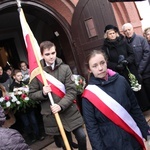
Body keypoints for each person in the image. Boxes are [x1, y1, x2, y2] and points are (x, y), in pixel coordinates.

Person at [82, 49, 150, 150]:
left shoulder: (121, 81)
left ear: (106, 62)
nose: (100, 68)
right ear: (89, 69)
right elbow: (92, 128)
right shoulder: (89, 95)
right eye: (95, 66)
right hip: (111, 144)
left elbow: (135, 108)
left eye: (102, 63)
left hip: (132, 137)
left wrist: (145, 132)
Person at [29, 41, 87, 150]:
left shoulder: (65, 68)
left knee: (82, 136)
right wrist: (43, 93)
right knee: (66, 144)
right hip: (52, 115)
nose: (51, 56)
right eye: (47, 54)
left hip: (69, 110)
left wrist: (60, 105)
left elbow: (71, 91)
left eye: (53, 53)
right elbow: (31, 95)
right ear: (41, 55)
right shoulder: (37, 73)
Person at [102, 24, 150, 111]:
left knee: (138, 90)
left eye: (113, 33)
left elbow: (131, 54)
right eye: (110, 33)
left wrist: (127, 61)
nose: (112, 35)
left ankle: (144, 108)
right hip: (119, 73)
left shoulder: (123, 42)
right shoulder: (105, 48)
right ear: (107, 35)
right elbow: (106, 61)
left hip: (130, 70)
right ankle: (134, 110)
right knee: (127, 92)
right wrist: (116, 66)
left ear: (116, 33)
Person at [9, 69, 44, 143]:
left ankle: (38, 135)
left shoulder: (24, 83)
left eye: (21, 75)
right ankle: (31, 137)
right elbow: (12, 97)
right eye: (18, 76)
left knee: (34, 121)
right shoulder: (12, 86)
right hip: (21, 109)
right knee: (26, 123)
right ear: (14, 77)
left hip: (29, 107)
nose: (20, 77)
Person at [122, 23, 150, 109]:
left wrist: (140, 69)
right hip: (134, 74)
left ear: (132, 29)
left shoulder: (141, 39)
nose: (127, 32)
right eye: (125, 31)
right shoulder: (124, 43)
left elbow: (147, 53)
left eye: (129, 30)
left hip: (146, 72)